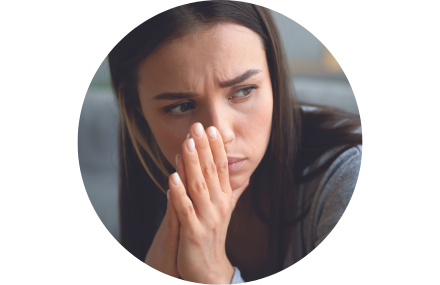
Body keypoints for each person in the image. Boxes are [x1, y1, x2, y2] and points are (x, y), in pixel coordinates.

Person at [107, 1, 362, 283]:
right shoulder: (158, 182)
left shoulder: (350, 178)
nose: (220, 132)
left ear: (274, 79)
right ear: (139, 113)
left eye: (243, 91)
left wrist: (213, 273)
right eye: (181, 106)